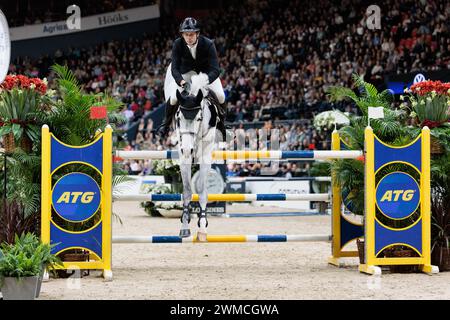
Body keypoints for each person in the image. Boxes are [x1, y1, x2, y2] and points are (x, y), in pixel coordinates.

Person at [156, 17, 228, 138]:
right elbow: (174, 69)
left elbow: (216, 70)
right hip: (186, 73)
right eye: (186, 34)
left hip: (205, 74)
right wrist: (182, 82)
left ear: (197, 34)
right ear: (182, 35)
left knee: (221, 96)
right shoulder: (178, 44)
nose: (189, 37)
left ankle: (223, 124)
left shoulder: (208, 44)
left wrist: (204, 81)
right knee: (173, 97)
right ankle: (166, 124)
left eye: (191, 34)